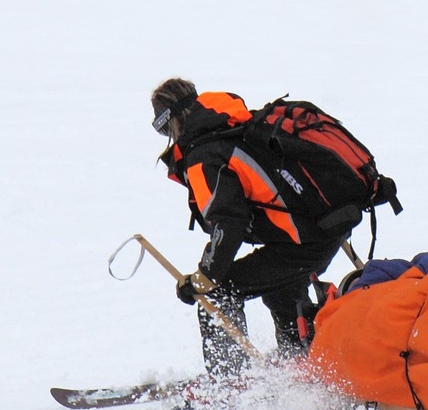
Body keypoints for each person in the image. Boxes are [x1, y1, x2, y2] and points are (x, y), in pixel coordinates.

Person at [151, 78, 352, 384]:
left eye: (163, 129)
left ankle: (231, 385)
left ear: (171, 121)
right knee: (280, 283)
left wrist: (205, 277)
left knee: (218, 293)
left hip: (302, 242)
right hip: (322, 230)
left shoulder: (205, 154)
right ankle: (299, 361)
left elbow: (228, 222)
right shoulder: (239, 127)